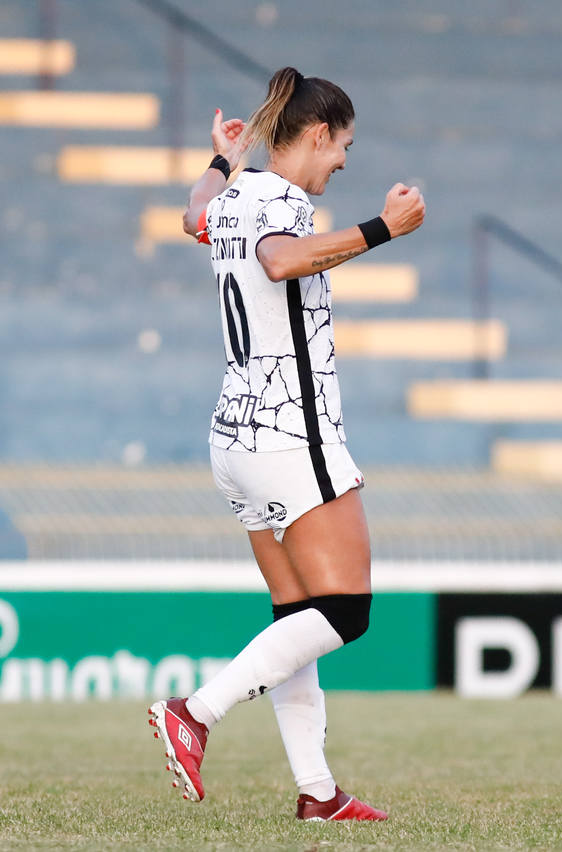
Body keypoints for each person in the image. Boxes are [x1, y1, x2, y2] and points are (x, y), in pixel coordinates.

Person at [147, 66, 425, 822]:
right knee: (346, 612)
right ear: (316, 134)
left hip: (234, 433)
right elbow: (278, 260)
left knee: (295, 617)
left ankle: (318, 791)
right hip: (290, 432)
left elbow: (193, 216)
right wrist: (381, 229)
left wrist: (218, 159)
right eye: (344, 145)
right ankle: (196, 714)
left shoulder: (236, 194)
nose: (344, 160)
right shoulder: (283, 203)